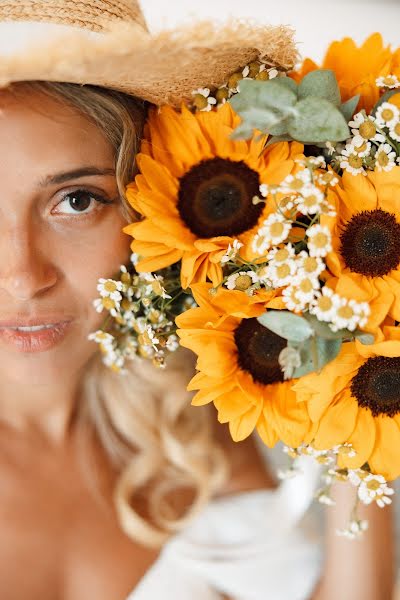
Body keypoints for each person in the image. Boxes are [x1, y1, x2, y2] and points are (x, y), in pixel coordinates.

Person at [0, 1, 394, 599]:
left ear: (149, 200)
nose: (23, 276)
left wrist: (362, 396)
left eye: (77, 201)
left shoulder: (214, 410)